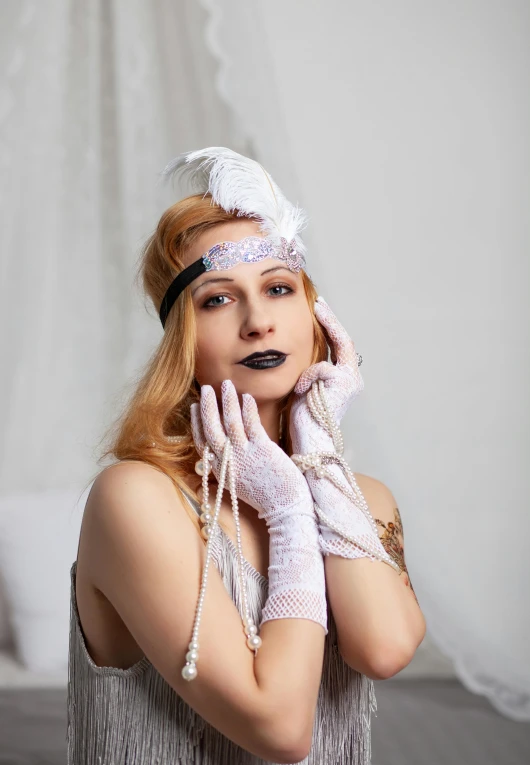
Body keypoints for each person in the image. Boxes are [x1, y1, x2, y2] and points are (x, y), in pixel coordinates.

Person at [67, 148, 425, 764]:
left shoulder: (364, 498)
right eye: (217, 299)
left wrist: (315, 453)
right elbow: (280, 731)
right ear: (182, 339)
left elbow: (383, 648)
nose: (258, 320)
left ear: (317, 320)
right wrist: (287, 513)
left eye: (279, 289)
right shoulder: (136, 498)